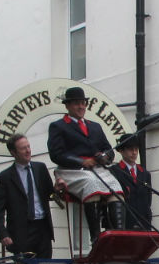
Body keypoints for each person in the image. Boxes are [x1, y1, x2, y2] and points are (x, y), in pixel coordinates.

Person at [47, 86, 125, 251]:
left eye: (83, 103)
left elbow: (108, 148)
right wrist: (81, 162)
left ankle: (119, 235)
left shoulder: (95, 126)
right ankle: (96, 237)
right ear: (67, 106)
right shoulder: (58, 126)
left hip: (97, 169)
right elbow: (56, 154)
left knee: (116, 187)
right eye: (76, 104)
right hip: (72, 170)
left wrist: (105, 157)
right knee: (91, 184)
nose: (81, 107)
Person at [0, 133, 56, 259]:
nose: (28, 151)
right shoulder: (4, 178)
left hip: (43, 228)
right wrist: (3, 234)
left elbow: (50, 194)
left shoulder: (40, 168)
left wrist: (58, 189)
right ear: (13, 153)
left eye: (28, 146)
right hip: (22, 232)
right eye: (23, 148)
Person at [109, 133, 153, 231]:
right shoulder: (114, 171)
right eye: (130, 149)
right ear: (121, 151)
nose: (134, 153)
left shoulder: (145, 174)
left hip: (143, 224)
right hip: (125, 224)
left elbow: (148, 201)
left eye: (136, 149)